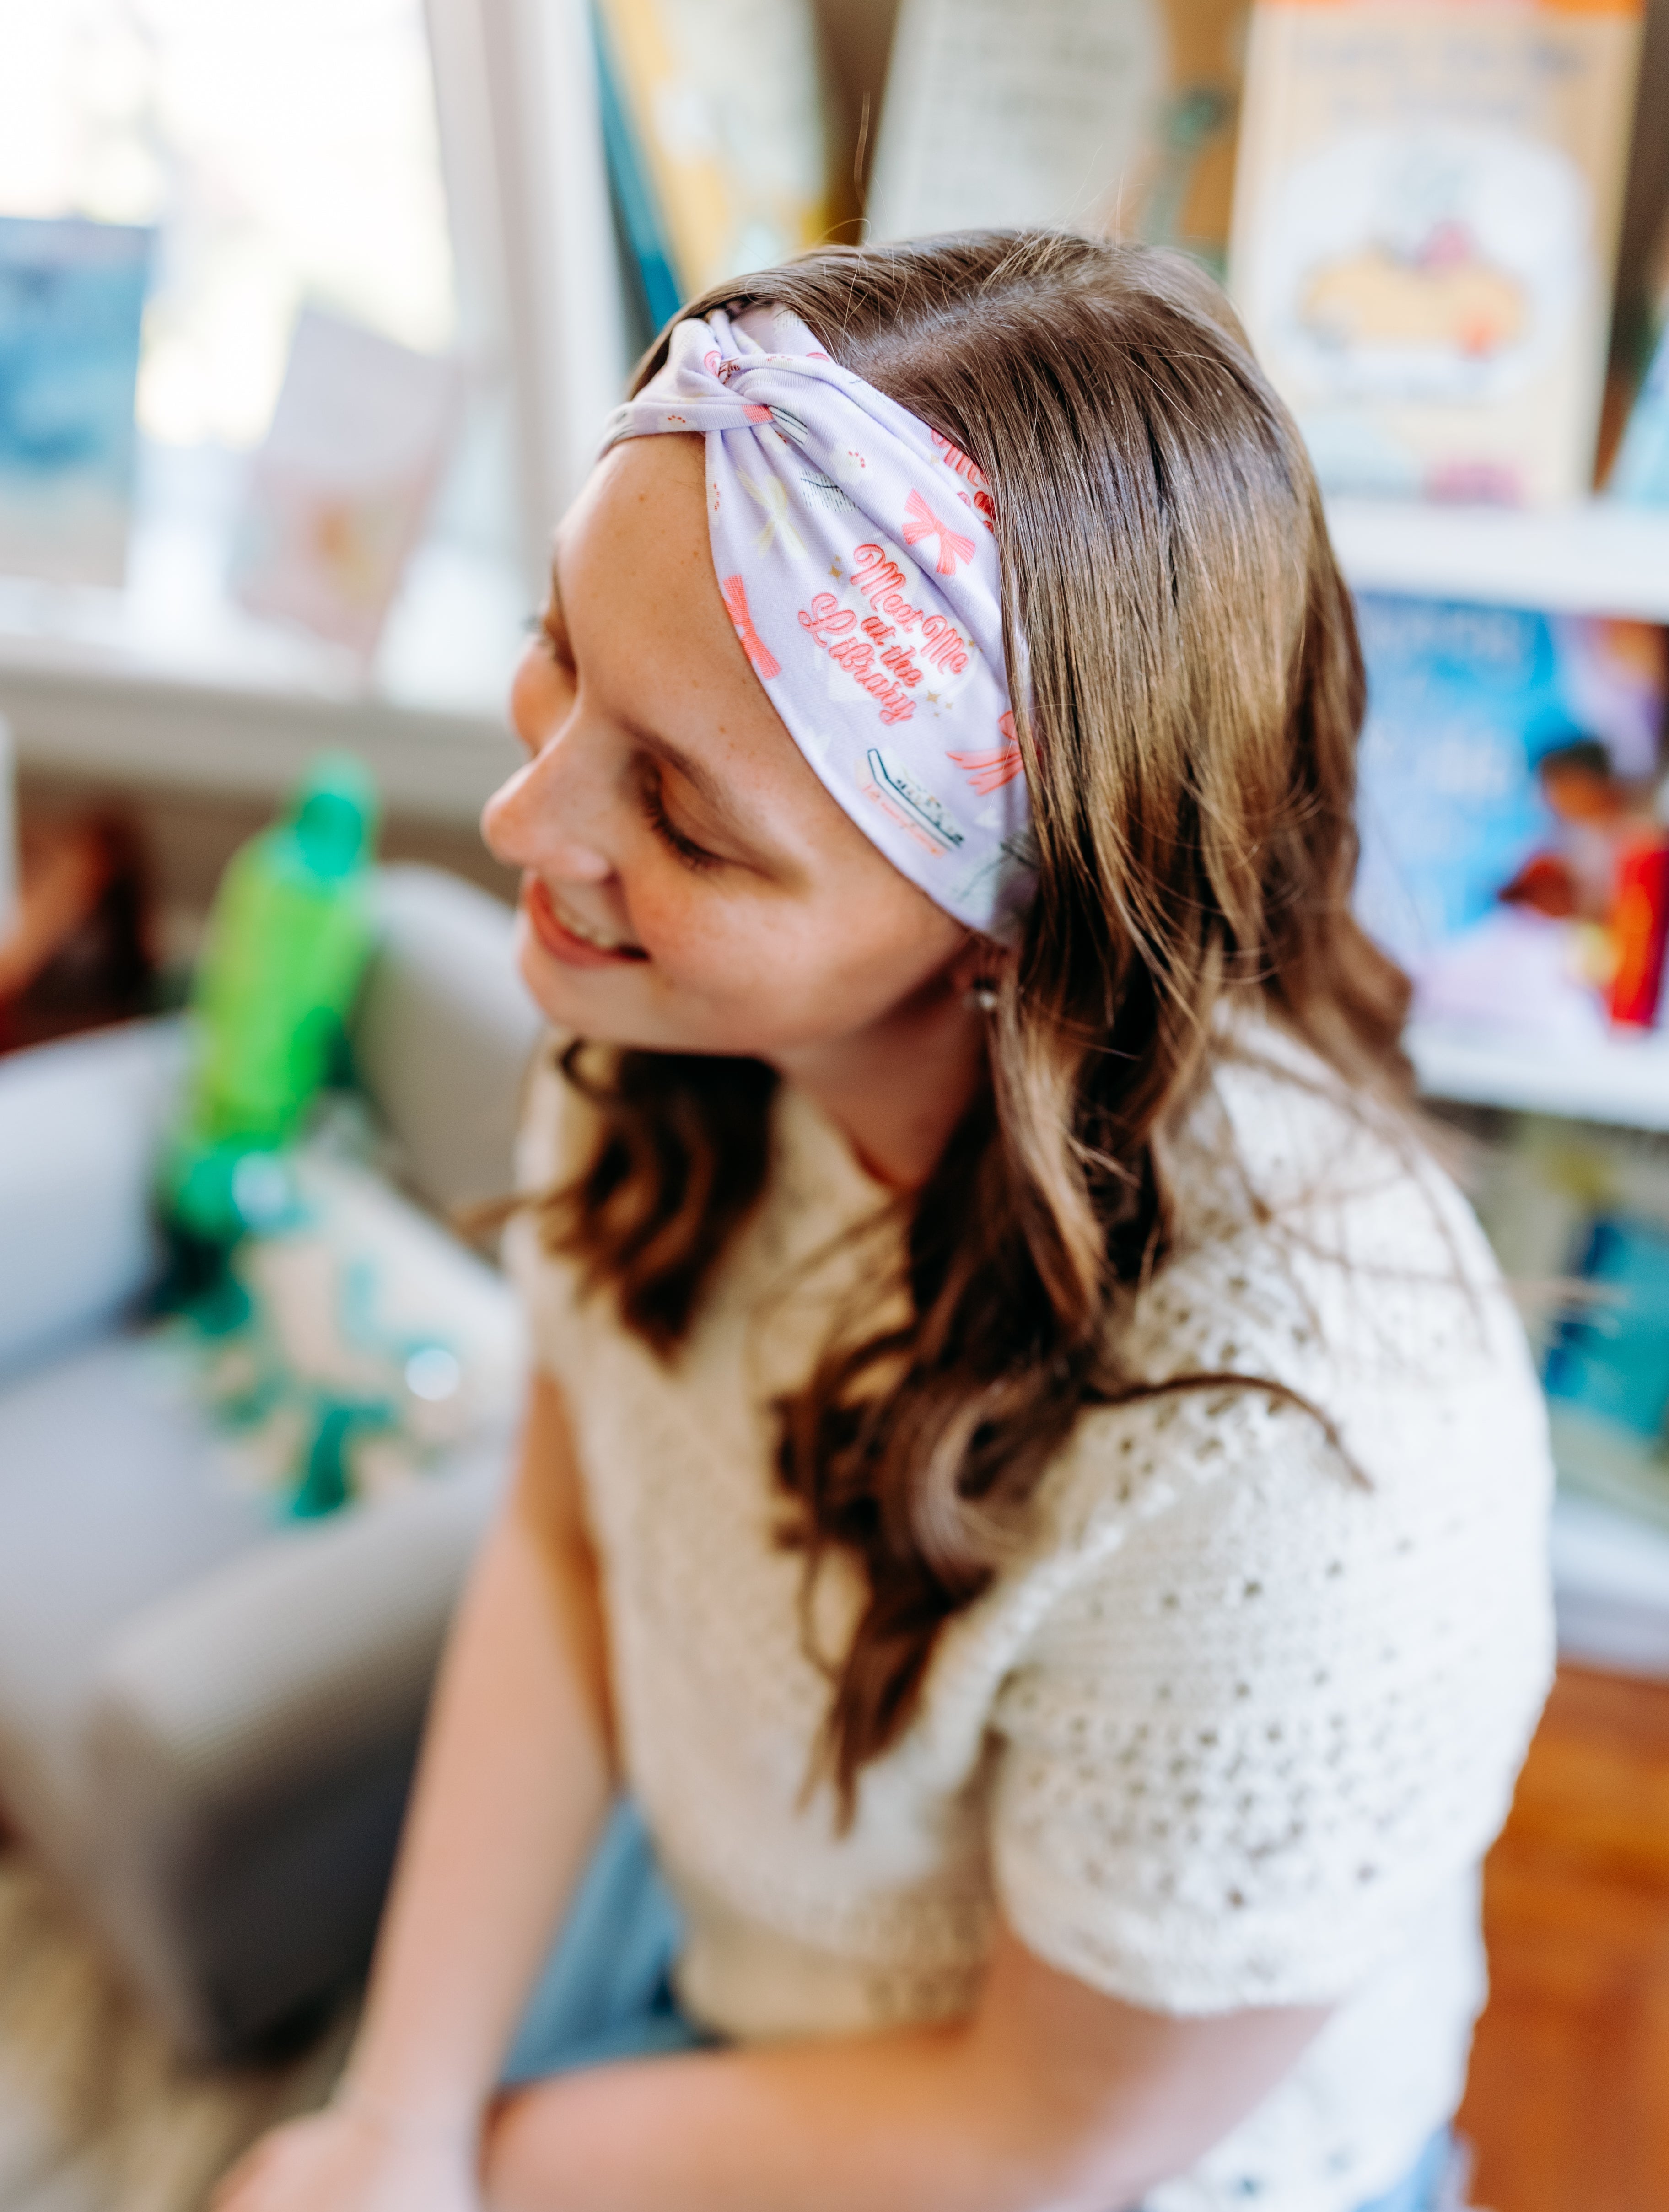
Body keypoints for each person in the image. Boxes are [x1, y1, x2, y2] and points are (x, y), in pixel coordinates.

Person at [215, 232, 1553, 2212]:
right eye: (560, 646)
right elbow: (573, 1542)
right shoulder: (659, 1046)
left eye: (687, 818)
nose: (525, 823)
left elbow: (1041, 2131)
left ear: (1012, 919)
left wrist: (490, 2165)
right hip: (749, 1955)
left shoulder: (1300, 1462)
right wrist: (398, 2117)